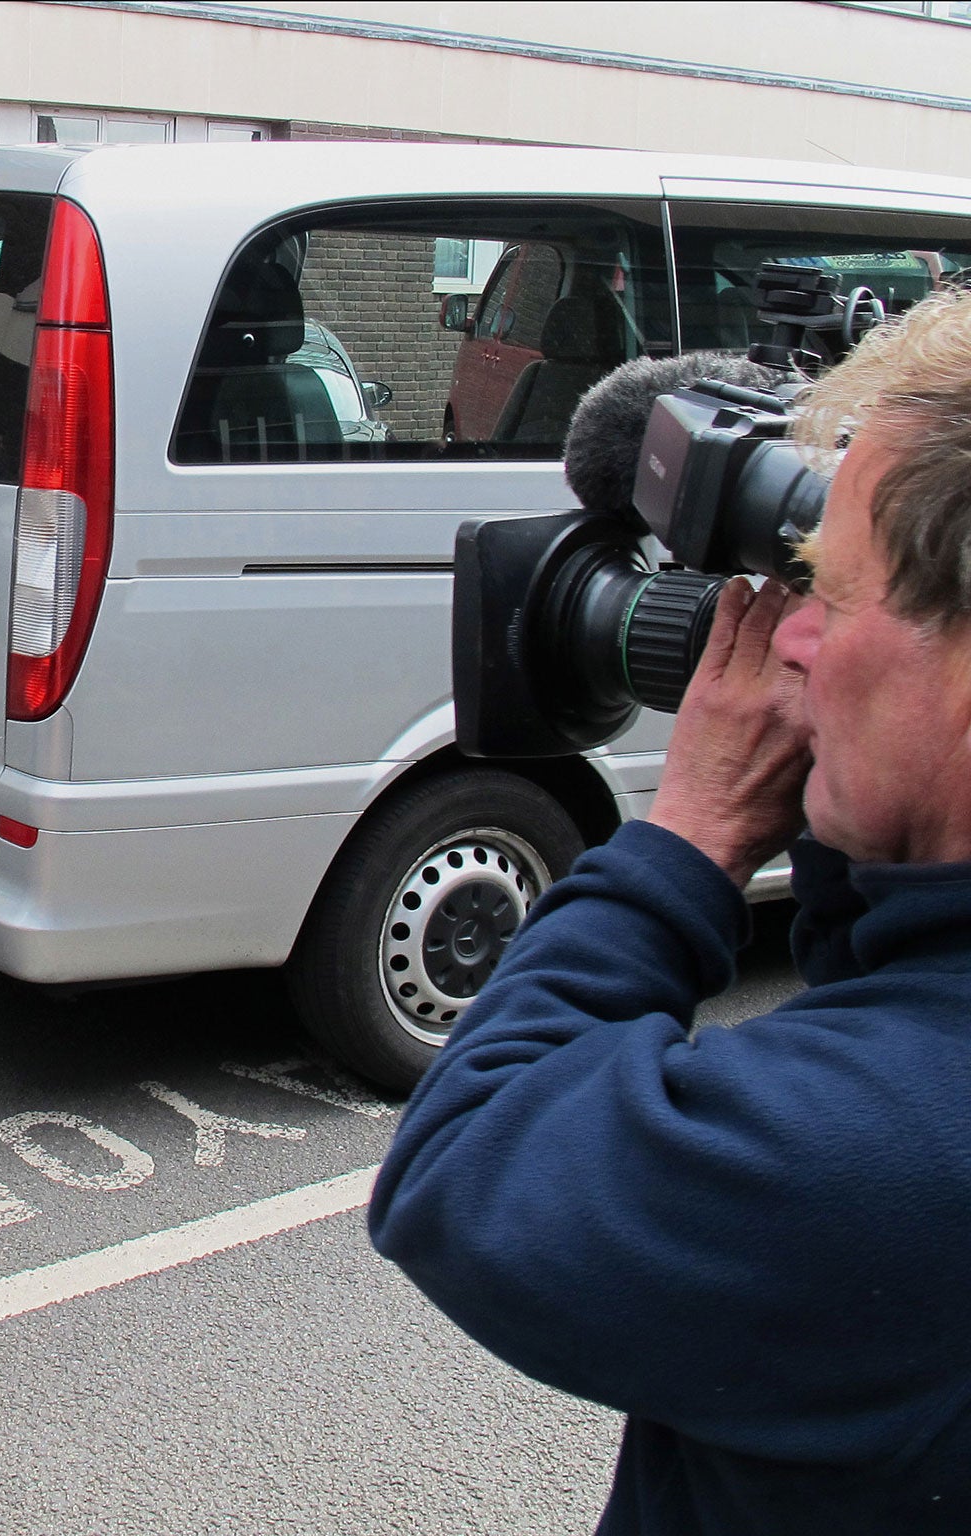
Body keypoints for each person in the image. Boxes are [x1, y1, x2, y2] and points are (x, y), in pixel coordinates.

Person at [368, 288, 971, 1532]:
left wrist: (691, 830)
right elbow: (887, 982)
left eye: (831, 593)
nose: (783, 637)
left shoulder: (880, 1158)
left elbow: (466, 1170)